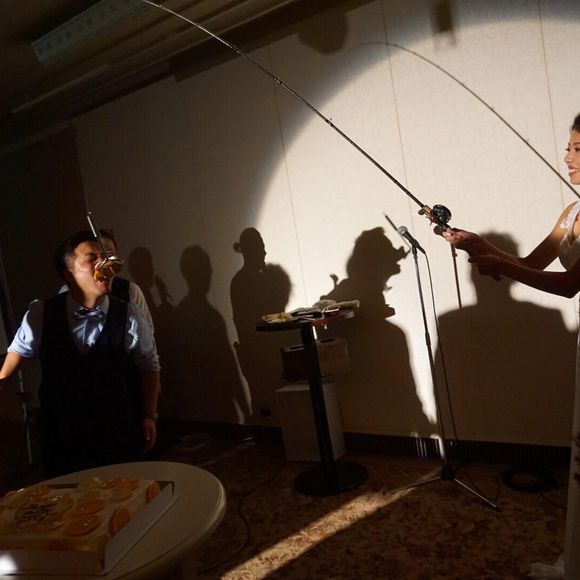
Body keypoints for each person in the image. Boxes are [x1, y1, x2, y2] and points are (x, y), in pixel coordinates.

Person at [443, 112, 580, 579]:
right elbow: (532, 263)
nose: (567, 157)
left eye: (578, 149)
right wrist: (477, 244)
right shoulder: (571, 212)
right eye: (568, 147)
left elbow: (568, 285)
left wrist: (496, 264)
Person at [0, 230, 160, 478]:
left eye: (105, 257)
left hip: (115, 429)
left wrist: (149, 415)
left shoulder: (129, 314)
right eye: (92, 258)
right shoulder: (41, 313)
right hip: (62, 432)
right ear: (69, 274)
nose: (104, 264)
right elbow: (17, 352)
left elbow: (149, 365)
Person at [59, 229, 155, 335]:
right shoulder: (61, 299)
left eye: (108, 256)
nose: (104, 263)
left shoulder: (130, 293)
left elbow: (146, 334)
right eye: (92, 258)